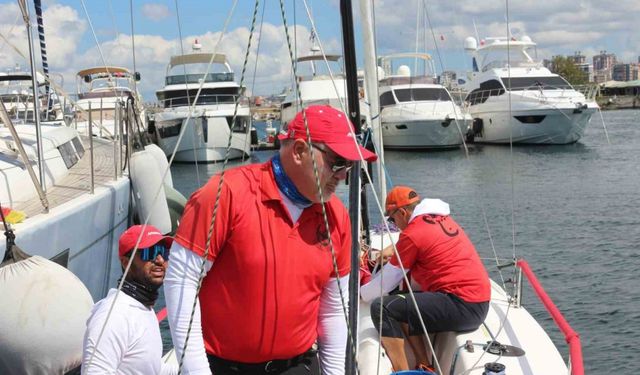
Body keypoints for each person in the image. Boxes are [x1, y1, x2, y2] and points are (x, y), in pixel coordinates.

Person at [164, 105, 377, 375]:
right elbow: (181, 283)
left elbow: (334, 309)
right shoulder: (226, 194)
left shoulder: (336, 216)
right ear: (299, 151)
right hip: (224, 368)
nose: (344, 174)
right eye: (337, 162)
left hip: (298, 366)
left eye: (348, 165)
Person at [360, 186, 490, 371]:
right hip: (478, 302)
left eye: (391, 218)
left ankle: (404, 373)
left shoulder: (413, 234)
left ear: (403, 212)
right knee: (403, 299)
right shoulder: (439, 219)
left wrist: (360, 294)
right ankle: (425, 365)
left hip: (462, 305)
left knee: (382, 308)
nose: (393, 224)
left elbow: (386, 282)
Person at [82, 224, 177, 375]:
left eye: (163, 252)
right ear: (126, 262)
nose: (159, 260)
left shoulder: (143, 308)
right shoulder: (115, 315)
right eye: (149, 252)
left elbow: (151, 368)